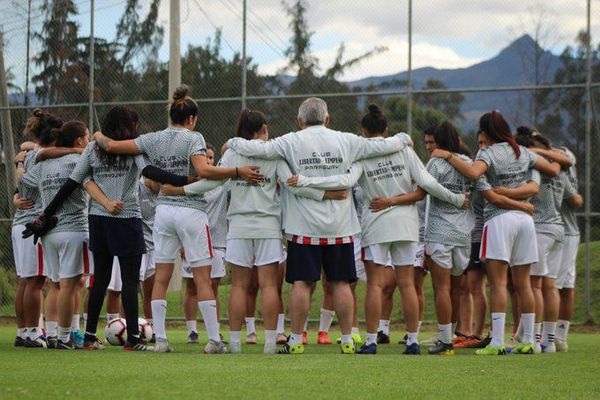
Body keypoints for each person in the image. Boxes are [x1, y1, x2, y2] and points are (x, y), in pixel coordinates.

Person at [226, 98, 410, 355]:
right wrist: (402, 139)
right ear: (327, 119)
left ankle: (297, 339)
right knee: (341, 284)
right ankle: (347, 339)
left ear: (299, 121)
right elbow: (379, 146)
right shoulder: (346, 140)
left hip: (304, 227)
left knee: (301, 283)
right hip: (340, 226)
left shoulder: (290, 140)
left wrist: (232, 142)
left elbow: (261, 150)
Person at [93, 85, 262, 354]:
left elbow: (111, 145)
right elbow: (203, 170)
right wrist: (238, 171)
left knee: (161, 277)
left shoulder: (152, 138)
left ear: (171, 115)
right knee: (202, 278)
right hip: (191, 212)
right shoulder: (194, 138)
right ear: (192, 119)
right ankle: (214, 341)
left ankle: (161, 340)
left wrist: (98, 134)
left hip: (164, 212)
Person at [289, 104, 468, 355]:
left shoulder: (362, 155)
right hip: (406, 226)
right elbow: (428, 183)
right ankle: (413, 341)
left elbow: (346, 181)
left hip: (376, 223)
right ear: (386, 129)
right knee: (407, 284)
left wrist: (306, 180)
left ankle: (371, 341)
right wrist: (457, 199)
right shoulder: (404, 151)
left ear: (363, 131)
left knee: (375, 285)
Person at [163, 108, 342, 354]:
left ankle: (235, 343)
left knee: (239, 286)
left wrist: (179, 190)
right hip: (267, 226)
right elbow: (295, 186)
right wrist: (329, 193)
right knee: (269, 286)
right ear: (264, 129)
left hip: (238, 227)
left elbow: (211, 181)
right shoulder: (274, 155)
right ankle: (270, 344)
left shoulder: (233, 153)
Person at [35, 107, 191, 351]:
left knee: (101, 280)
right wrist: (186, 179)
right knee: (130, 282)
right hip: (126, 218)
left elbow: (71, 183)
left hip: (98, 219)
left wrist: (47, 212)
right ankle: (133, 341)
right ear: (128, 126)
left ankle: (88, 337)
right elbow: (150, 172)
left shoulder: (92, 148)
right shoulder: (131, 147)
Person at [431, 110, 560, 355]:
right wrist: (522, 200)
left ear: (485, 133)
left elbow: (472, 173)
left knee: (499, 284)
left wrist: (447, 154)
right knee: (524, 284)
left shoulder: (487, 153)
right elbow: (552, 170)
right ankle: (529, 341)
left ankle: (498, 342)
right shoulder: (522, 152)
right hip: (525, 222)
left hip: (498, 221)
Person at [20, 121, 92, 349]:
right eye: (87, 137)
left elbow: (24, 183)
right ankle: (64, 338)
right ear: (79, 140)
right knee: (70, 286)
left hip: (48, 232)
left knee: (54, 284)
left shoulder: (44, 165)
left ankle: (50, 334)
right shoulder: (78, 160)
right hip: (73, 229)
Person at [514, 127, 580, 353]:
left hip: (540, 228)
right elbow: (574, 197)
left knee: (534, 285)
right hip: (558, 229)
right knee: (550, 285)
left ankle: (533, 339)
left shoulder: (533, 167)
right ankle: (549, 341)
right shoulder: (559, 168)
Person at [11, 109, 70, 348]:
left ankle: (24, 331)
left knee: (26, 281)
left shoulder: (28, 153)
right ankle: (34, 331)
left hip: (20, 222)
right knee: (36, 281)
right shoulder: (43, 155)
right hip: (32, 224)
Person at [422, 122, 475, 356]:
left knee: (441, 288)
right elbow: (480, 184)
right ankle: (451, 336)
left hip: (439, 232)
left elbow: (424, 189)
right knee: (455, 288)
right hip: (463, 234)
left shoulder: (435, 164)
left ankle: (445, 341)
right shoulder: (470, 164)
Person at [180, 143, 228, 345]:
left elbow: (227, 151)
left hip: (217, 242)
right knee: (192, 287)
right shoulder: (189, 186)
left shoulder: (222, 183)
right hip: (192, 240)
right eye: (205, 158)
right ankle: (192, 331)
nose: (208, 161)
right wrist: (182, 241)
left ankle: (214, 330)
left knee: (213, 286)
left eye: (211, 158)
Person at [555, 147, 583, 351]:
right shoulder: (567, 157)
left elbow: (575, 200)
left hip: (562, 232)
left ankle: (553, 336)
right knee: (563, 285)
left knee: (554, 285)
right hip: (566, 232)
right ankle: (559, 337)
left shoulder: (561, 166)